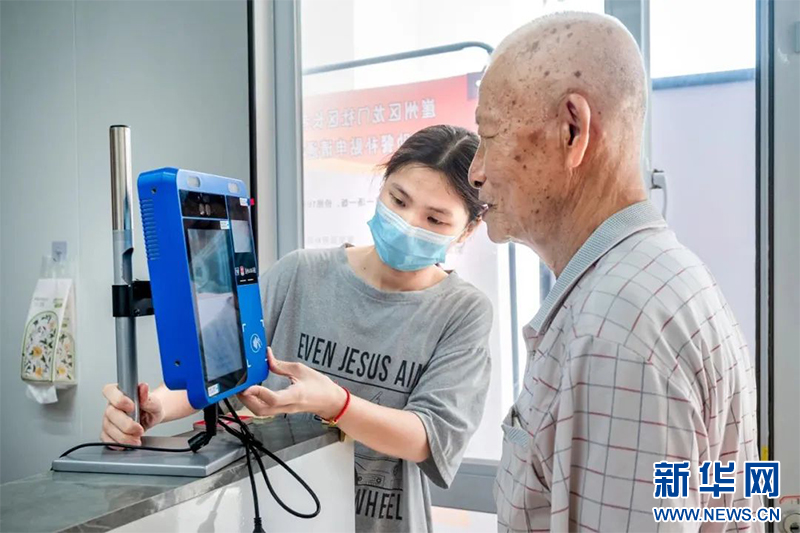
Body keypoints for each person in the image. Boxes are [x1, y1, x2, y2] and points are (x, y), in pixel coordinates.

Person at [100, 124, 493, 533]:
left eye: (435, 219)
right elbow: (219, 364)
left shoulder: (462, 311)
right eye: (399, 199)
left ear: (467, 229)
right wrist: (155, 407)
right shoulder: (300, 274)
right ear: (382, 185)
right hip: (279, 516)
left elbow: (428, 438)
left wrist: (335, 404)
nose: (408, 223)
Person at [469, 12, 760, 532]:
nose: (476, 170)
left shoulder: (615, 329)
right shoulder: (662, 278)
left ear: (572, 130)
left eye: (489, 136)